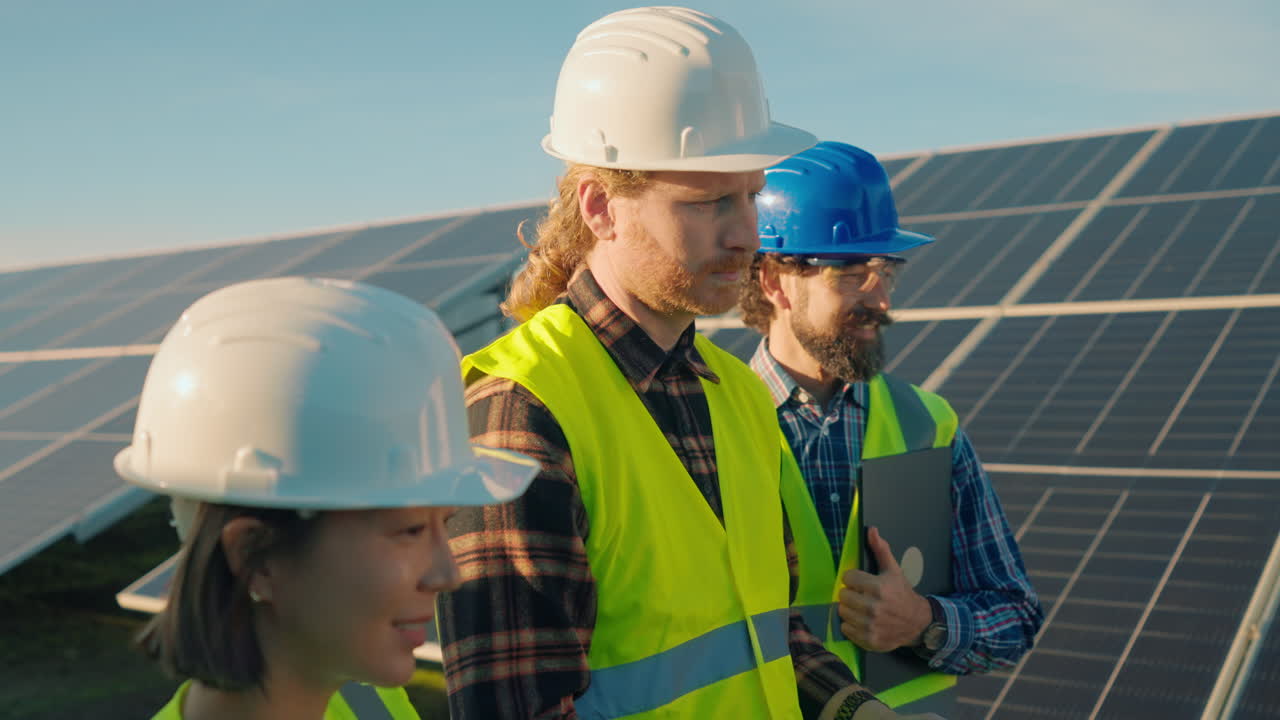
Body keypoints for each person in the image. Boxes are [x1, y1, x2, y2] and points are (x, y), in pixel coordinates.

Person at [437, 7, 942, 720]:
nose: (746, 235)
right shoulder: (521, 408)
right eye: (708, 203)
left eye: (749, 195)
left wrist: (858, 711)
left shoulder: (736, 393)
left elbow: (776, 637)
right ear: (601, 208)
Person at [114, 277, 539, 720]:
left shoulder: (366, 698)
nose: (448, 574)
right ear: (253, 557)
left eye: (444, 523)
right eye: (410, 530)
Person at [740, 141, 1044, 714]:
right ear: (775, 281)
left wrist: (925, 622)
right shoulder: (705, 425)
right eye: (851, 272)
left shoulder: (928, 425)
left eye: (885, 271)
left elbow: (1017, 616)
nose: (879, 298)